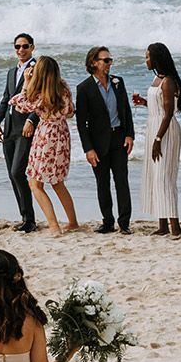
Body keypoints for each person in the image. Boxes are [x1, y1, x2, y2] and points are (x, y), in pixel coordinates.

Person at [12, 55, 79, 234]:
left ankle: (54, 226)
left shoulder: (39, 91)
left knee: (35, 183)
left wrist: (26, 81)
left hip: (46, 134)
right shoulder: (63, 87)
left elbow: (20, 105)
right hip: (62, 134)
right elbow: (71, 111)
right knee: (58, 182)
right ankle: (72, 221)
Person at [72, 46, 135, 235]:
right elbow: (81, 123)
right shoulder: (84, 88)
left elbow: (126, 110)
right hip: (97, 143)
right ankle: (108, 222)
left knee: (122, 180)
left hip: (119, 138)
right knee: (103, 182)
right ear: (93, 63)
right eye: (105, 60)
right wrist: (88, 149)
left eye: (110, 60)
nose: (109, 63)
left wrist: (129, 134)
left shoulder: (118, 82)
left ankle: (124, 223)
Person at [0, 34, 41, 233]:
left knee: (18, 171)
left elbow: (41, 98)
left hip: (26, 128)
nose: (21, 50)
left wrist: (32, 119)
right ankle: (25, 217)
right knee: (12, 174)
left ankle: (30, 219)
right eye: (17, 47)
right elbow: (7, 98)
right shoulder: (11, 72)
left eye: (25, 46)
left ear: (32, 47)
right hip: (10, 127)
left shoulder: (39, 68)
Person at [135, 43, 181, 237]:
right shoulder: (157, 79)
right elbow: (159, 107)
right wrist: (144, 102)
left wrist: (157, 139)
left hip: (165, 131)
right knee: (156, 177)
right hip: (154, 127)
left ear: (156, 59)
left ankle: (175, 226)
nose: (146, 60)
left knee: (165, 177)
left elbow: (168, 113)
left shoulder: (168, 81)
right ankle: (162, 225)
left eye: (148, 57)